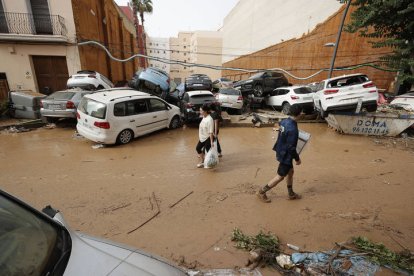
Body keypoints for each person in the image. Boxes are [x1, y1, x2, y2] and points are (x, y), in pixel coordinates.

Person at [257, 104, 303, 202]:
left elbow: (279, 125)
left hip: (281, 150)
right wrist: (297, 159)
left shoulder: (285, 121)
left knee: (290, 172)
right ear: (299, 114)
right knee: (280, 177)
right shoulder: (293, 129)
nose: (303, 113)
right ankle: (261, 192)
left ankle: (291, 194)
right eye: (302, 112)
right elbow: (291, 148)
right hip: (286, 155)